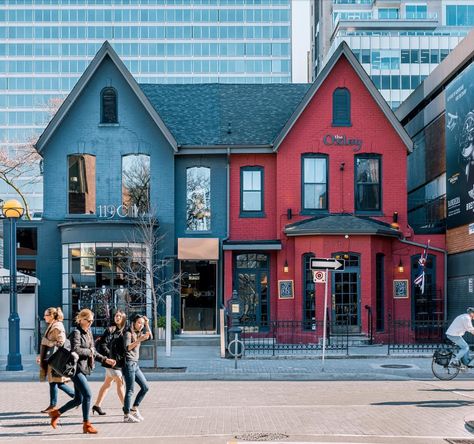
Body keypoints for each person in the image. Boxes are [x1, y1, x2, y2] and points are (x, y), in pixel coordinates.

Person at [49, 309, 116, 434]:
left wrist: (105, 359)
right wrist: (90, 351)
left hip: (84, 368)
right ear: (81, 319)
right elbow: (76, 350)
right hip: (75, 369)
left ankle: (56, 413)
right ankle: (86, 424)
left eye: (92, 321)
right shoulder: (76, 332)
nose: (90, 323)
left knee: (78, 399)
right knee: (88, 395)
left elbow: (93, 351)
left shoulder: (88, 332)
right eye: (88, 320)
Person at [36, 307, 75, 413]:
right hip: (52, 358)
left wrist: (47, 342)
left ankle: (75, 398)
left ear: (52, 316)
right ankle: (55, 404)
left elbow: (61, 342)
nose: (44, 317)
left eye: (46, 315)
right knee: (54, 382)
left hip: (56, 359)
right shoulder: (53, 325)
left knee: (56, 382)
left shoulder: (57, 326)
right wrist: (41, 356)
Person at [92, 310, 127, 415]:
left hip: (116, 362)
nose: (117, 318)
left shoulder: (123, 331)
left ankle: (97, 405)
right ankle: (127, 408)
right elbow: (102, 345)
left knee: (107, 384)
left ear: (123, 319)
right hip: (110, 361)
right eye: (116, 316)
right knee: (120, 383)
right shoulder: (110, 330)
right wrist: (111, 357)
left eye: (120, 316)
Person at [122, 314, 152, 423]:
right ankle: (126, 415)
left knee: (145, 387)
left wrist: (147, 324)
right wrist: (139, 340)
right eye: (139, 323)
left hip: (135, 364)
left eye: (142, 324)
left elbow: (150, 336)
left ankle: (134, 408)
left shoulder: (139, 332)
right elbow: (127, 347)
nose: (141, 326)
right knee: (130, 390)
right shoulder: (128, 333)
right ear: (133, 322)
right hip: (128, 364)